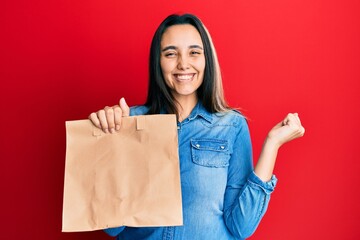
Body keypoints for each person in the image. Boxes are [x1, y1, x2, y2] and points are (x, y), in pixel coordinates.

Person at [89, 13, 305, 240]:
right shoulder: (129, 121)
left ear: (206, 60)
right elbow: (112, 227)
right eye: (171, 54)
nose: (183, 64)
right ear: (158, 62)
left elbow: (241, 227)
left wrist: (272, 145)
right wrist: (111, 138)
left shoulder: (231, 126)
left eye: (194, 52)